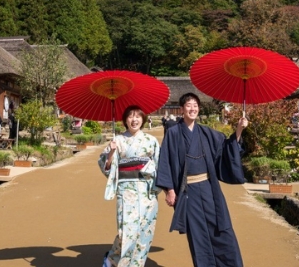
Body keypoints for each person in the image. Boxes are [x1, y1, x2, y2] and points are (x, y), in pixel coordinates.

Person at [156, 93, 248, 267]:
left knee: (221, 227)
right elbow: (165, 161)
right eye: (189, 105)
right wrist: (169, 190)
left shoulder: (206, 132)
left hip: (208, 188)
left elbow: (226, 148)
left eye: (195, 105)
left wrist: (239, 129)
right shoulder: (173, 133)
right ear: (182, 109)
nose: (193, 108)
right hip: (187, 191)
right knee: (197, 234)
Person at [98, 106, 161, 267]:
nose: (134, 120)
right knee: (126, 231)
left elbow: (161, 165)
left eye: (138, 116)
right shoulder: (117, 140)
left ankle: (136, 264)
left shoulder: (151, 140)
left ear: (143, 119)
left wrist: (155, 179)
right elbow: (105, 165)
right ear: (125, 120)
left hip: (147, 191)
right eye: (131, 116)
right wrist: (111, 153)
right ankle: (113, 259)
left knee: (144, 230)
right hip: (126, 191)